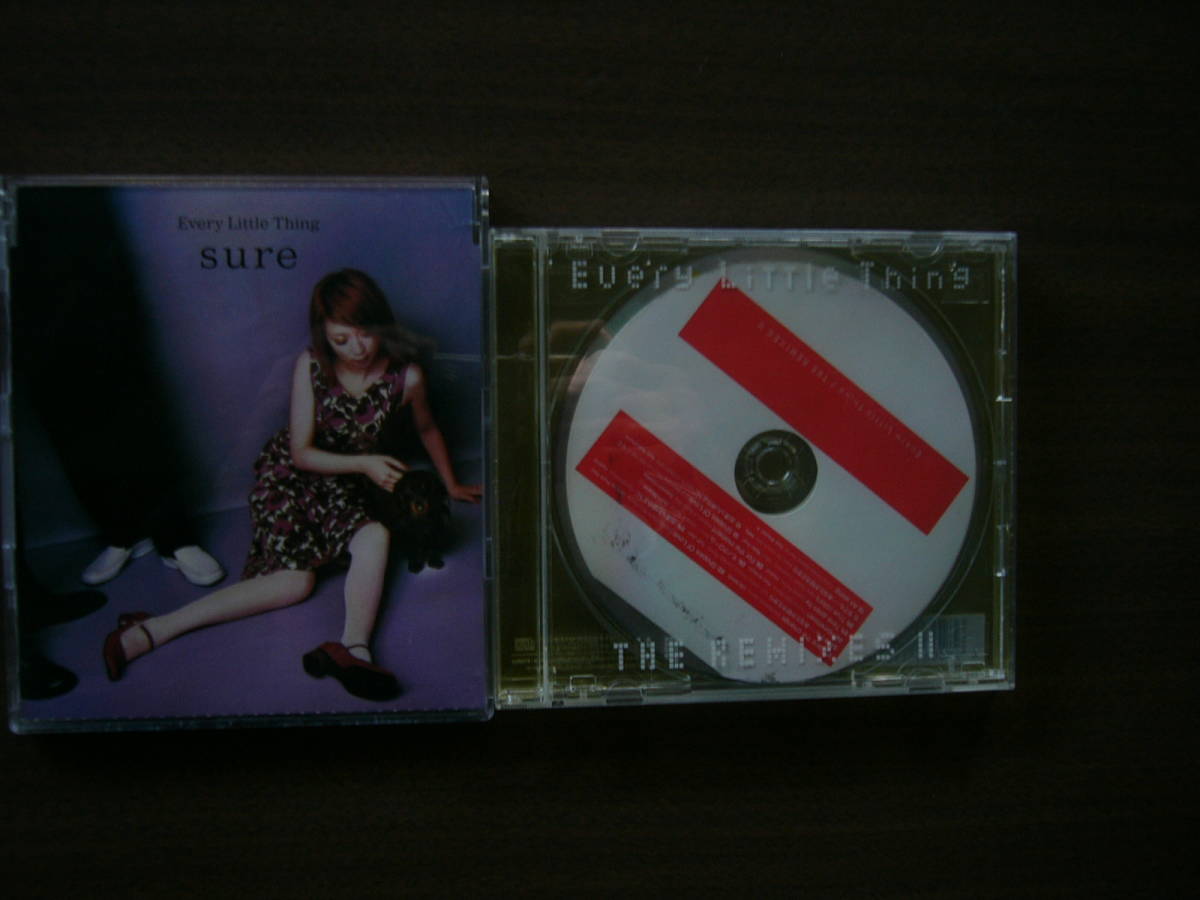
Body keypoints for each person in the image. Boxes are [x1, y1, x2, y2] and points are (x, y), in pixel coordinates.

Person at [101, 269, 481, 700]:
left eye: (366, 333)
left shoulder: (407, 377)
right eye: (341, 340)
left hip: (347, 484)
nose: (357, 349)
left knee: (377, 534)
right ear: (325, 336)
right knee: (295, 584)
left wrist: (451, 483)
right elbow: (301, 453)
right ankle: (151, 630)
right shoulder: (311, 365)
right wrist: (366, 463)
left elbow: (427, 428)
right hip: (292, 478)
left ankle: (353, 649)